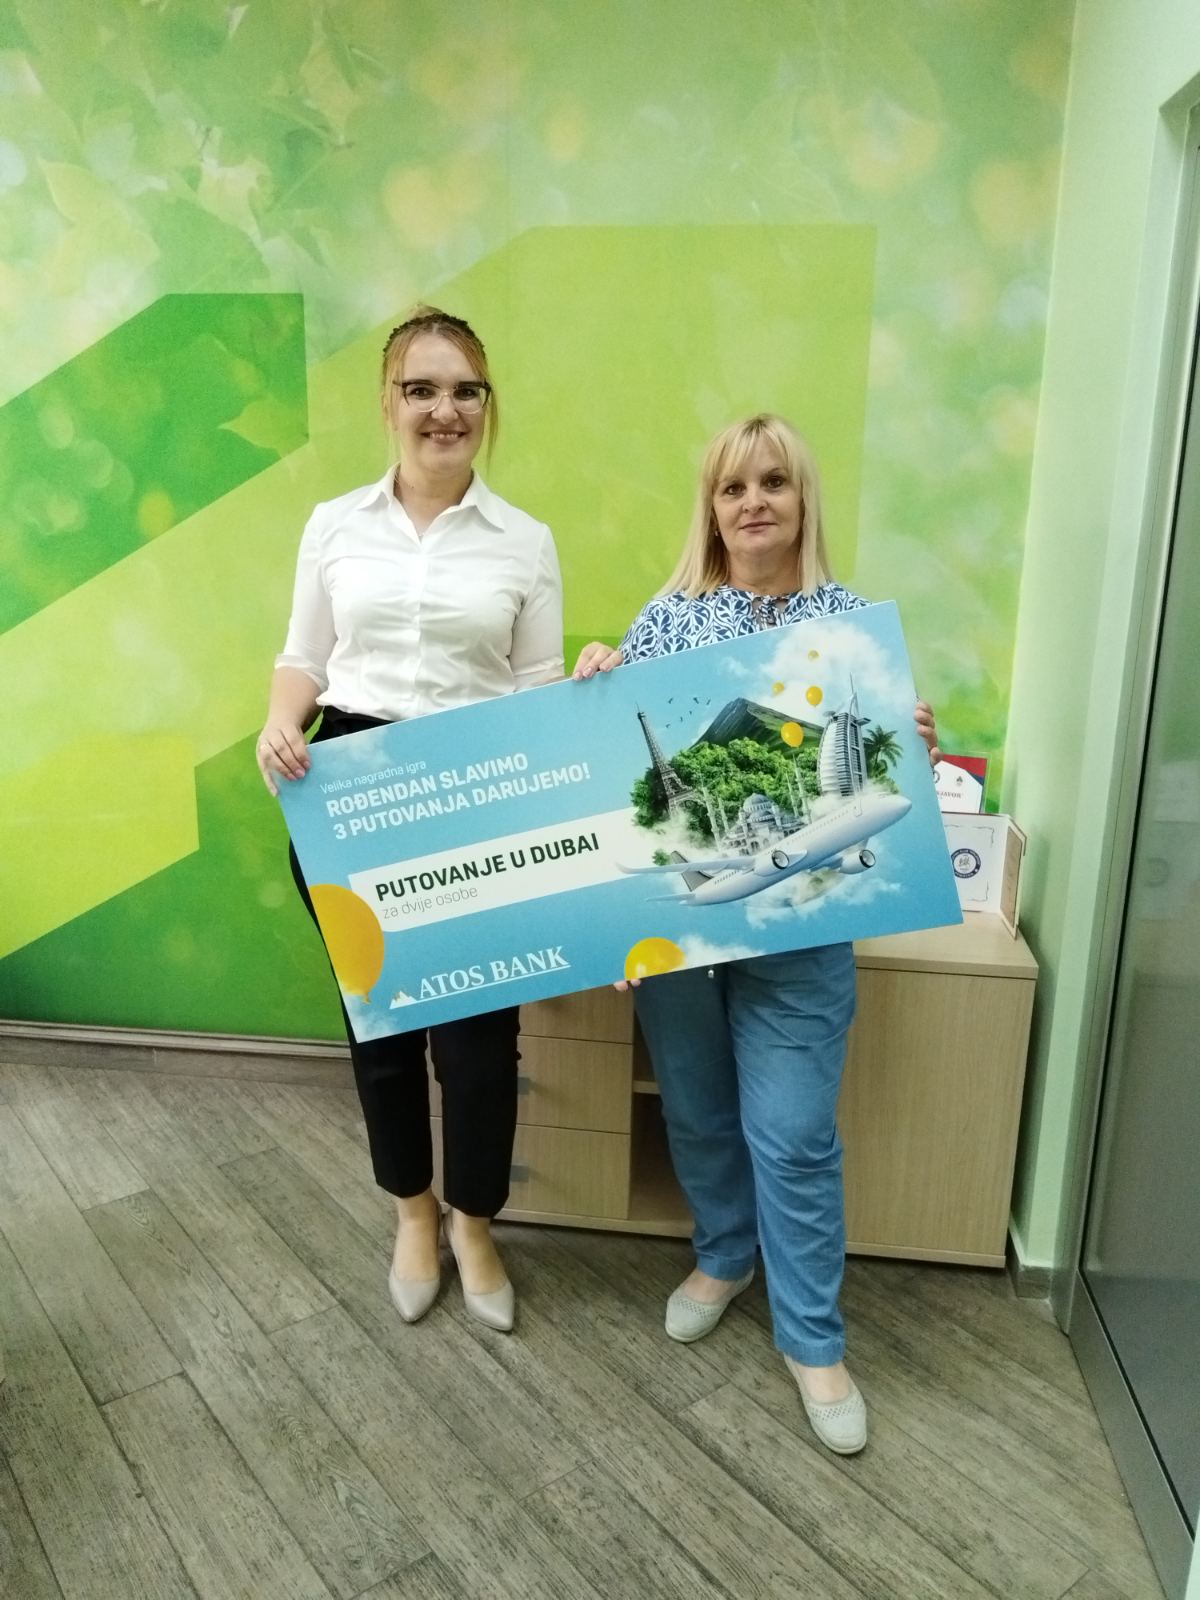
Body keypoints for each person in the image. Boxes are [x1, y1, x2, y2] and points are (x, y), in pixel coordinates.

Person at [574, 413, 939, 1453]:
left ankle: (813, 1339)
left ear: (802, 496)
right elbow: (624, 779)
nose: (754, 503)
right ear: (712, 507)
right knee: (696, 1112)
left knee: (793, 1133)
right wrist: (597, 685)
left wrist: (914, 742)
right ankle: (725, 1254)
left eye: (773, 481)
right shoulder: (667, 619)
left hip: (803, 931)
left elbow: (876, 783)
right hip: (687, 929)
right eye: (733, 487)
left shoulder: (851, 626)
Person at [258, 306, 563, 1333]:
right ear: (388, 402)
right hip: (352, 788)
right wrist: (279, 722)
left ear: (488, 405)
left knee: (480, 1042)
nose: (445, 409)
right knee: (380, 1026)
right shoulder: (334, 525)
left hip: (477, 794)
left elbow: (538, 689)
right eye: (422, 388)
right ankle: (413, 1213)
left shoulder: (526, 541)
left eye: (465, 390)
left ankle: (475, 1221)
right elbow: (304, 656)